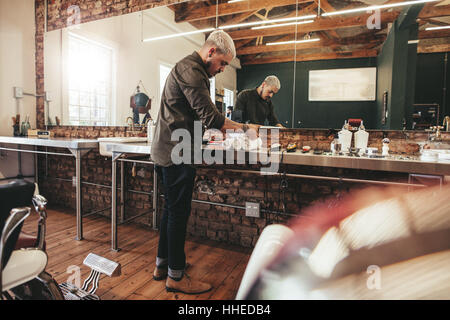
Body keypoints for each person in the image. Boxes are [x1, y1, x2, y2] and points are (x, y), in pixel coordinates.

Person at [150, 30, 260, 295]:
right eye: (222, 63)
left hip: (171, 148)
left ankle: (163, 265)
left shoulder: (192, 70)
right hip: (176, 151)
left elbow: (196, 116)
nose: (222, 69)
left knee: (170, 209)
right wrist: (245, 128)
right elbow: (211, 117)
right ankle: (176, 276)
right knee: (178, 212)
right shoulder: (192, 70)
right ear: (210, 51)